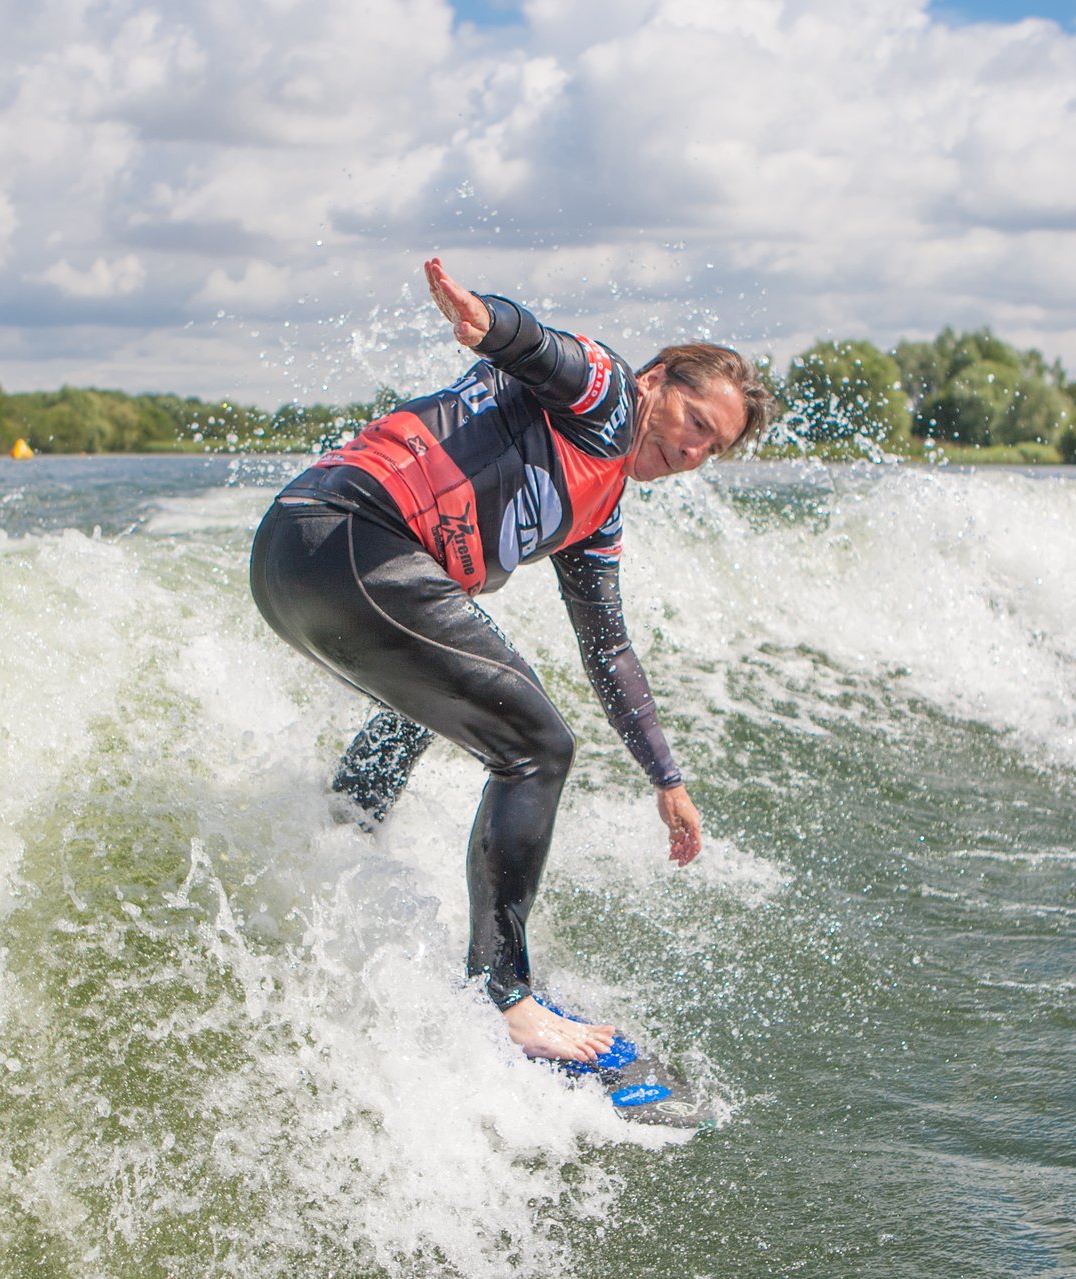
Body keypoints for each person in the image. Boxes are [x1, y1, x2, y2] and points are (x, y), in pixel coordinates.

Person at [248, 259, 771, 1062]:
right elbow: (540, 348)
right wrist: (487, 323)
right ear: (658, 380)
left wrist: (667, 778)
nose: (693, 449)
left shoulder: (597, 510)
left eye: (713, 447)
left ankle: (335, 843)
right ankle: (504, 995)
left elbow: (609, 646)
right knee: (538, 747)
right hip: (353, 537)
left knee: (425, 707)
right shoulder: (604, 393)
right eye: (695, 419)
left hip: (294, 558)